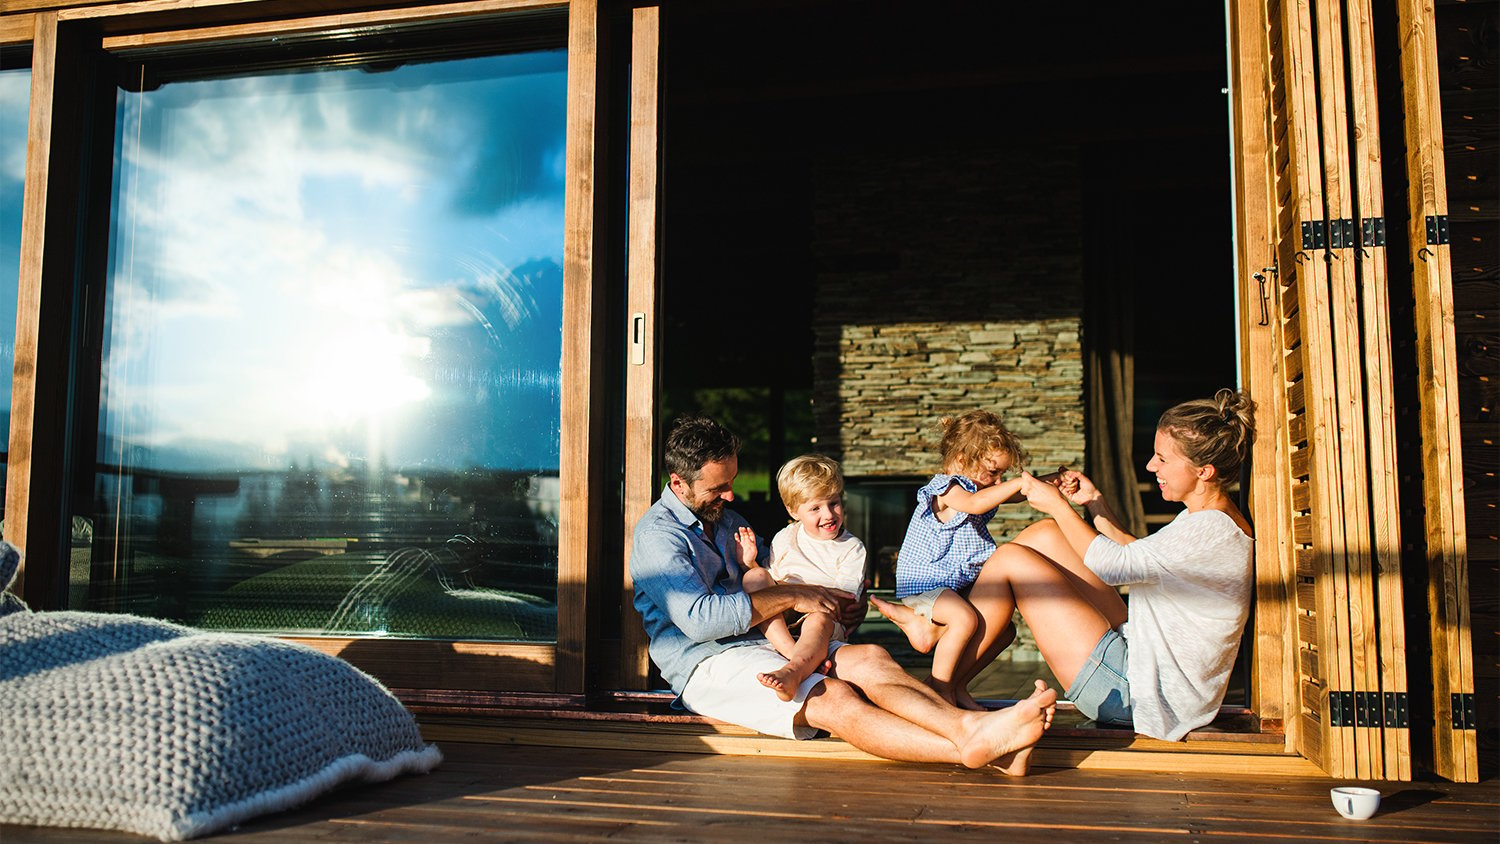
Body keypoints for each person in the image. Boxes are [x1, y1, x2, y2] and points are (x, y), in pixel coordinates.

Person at [631, 414, 1057, 772]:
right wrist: (799, 597)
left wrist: (834, 606)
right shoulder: (658, 537)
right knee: (832, 695)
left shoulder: (723, 517)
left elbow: (777, 572)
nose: (731, 495)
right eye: (718, 488)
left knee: (872, 658)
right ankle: (977, 745)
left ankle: (980, 735)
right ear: (679, 482)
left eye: (732, 482)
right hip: (708, 661)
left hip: (767, 641)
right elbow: (703, 620)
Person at [957, 388, 1257, 741]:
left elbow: (1116, 567)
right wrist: (1094, 502)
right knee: (1045, 535)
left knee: (1011, 559)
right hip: (1141, 658)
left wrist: (1058, 504)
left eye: (1162, 459)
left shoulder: (1208, 530)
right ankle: (954, 657)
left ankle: (945, 676)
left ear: (1204, 471)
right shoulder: (1208, 517)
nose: (1150, 466)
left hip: (1138, 695)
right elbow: (1137, 555)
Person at [870, 409, 1058, 710]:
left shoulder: (980, 487)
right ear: (961, 460)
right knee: (964, 619)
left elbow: (1018, 495)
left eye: (1002, 474)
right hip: (926, 582)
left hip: (953, 584)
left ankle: (957, 686)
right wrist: (1016, 483)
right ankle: (940, 692)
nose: (998, 480)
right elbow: (974, 504)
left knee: (1004, 630)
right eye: (993, 472)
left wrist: (1053, 481)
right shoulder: (947, 488)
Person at [733, 454, 868, 702]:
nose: (828, 515)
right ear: (793, 511)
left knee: (818, 620)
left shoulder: (852, 548)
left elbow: (843, 600)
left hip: (823, 617)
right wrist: (749, 562)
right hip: (784, 615)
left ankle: (793, 671)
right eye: (815, 508)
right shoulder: (785, 537)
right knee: (754, 577)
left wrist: (797, 595)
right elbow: (770, 583)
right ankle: (791, 651)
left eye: (834, 503)